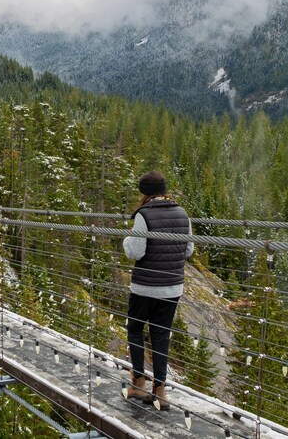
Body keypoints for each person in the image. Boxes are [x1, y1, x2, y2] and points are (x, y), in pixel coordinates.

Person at [122, 170, 193, 411]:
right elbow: (188, 250)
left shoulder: (144, 215)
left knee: (135, 330)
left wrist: (126, 239)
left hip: (145, 288)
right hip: (172, 287)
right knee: (161, 335)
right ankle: (160, 391)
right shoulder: (183, 213)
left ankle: (138, 383)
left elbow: (135, 251)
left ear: (144, 193)